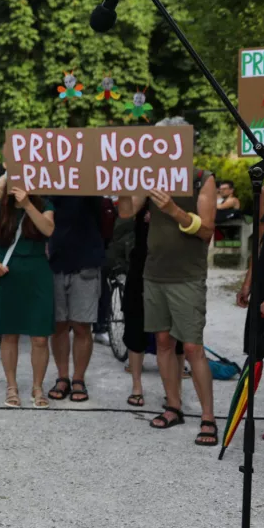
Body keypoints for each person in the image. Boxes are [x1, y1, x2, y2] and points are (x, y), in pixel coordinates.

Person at [118, 170, 219, 446]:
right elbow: (127, 212)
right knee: (163, 341)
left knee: (191, 347)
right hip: (154, 274)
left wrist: (173, 210)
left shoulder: (201, 179)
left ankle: (208, 417)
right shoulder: (149, 177)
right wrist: (122, 185)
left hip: (188, 276)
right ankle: (173, 407)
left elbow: (207, 230)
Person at [0, 188, 55, 409]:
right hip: (9, 272)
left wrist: (27, 204)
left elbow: (48, 229)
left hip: (38, 272)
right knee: (9, 334)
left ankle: (37, 387)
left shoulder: (44, 205)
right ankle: (11, 386)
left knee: (40, 337)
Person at [46, 197, 104, 404]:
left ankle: (78, 378)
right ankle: (62, 377)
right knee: (59, 325)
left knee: (82, 325)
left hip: (86, 260)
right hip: (55, 261)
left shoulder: (90, 181)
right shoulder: (46, 181)